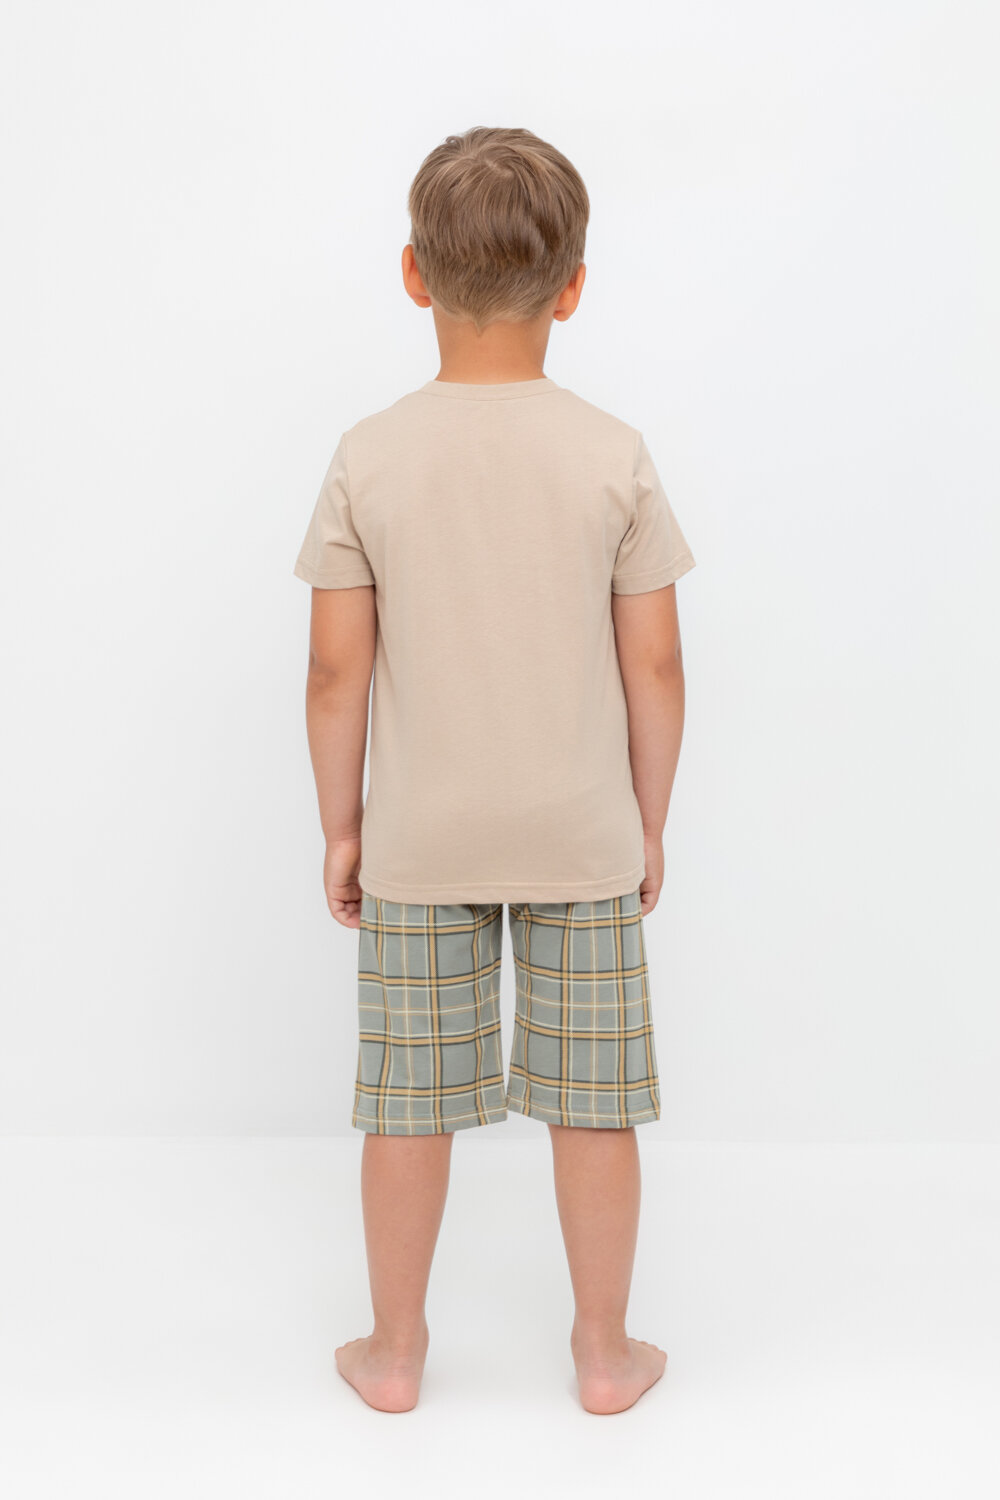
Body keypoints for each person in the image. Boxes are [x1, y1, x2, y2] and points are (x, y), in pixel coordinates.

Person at [292, 126, 696, 1416]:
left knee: (407, 1106)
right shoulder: (613, 452)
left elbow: (335, 673)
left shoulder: (368, 455)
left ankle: (394, 1353)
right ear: (572, 288)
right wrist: (648, 820)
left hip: (420, 838)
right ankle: (605, 1354)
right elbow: (657, 666)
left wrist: (344, 827)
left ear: (414, 272)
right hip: (581, 835)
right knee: (594, 1103)